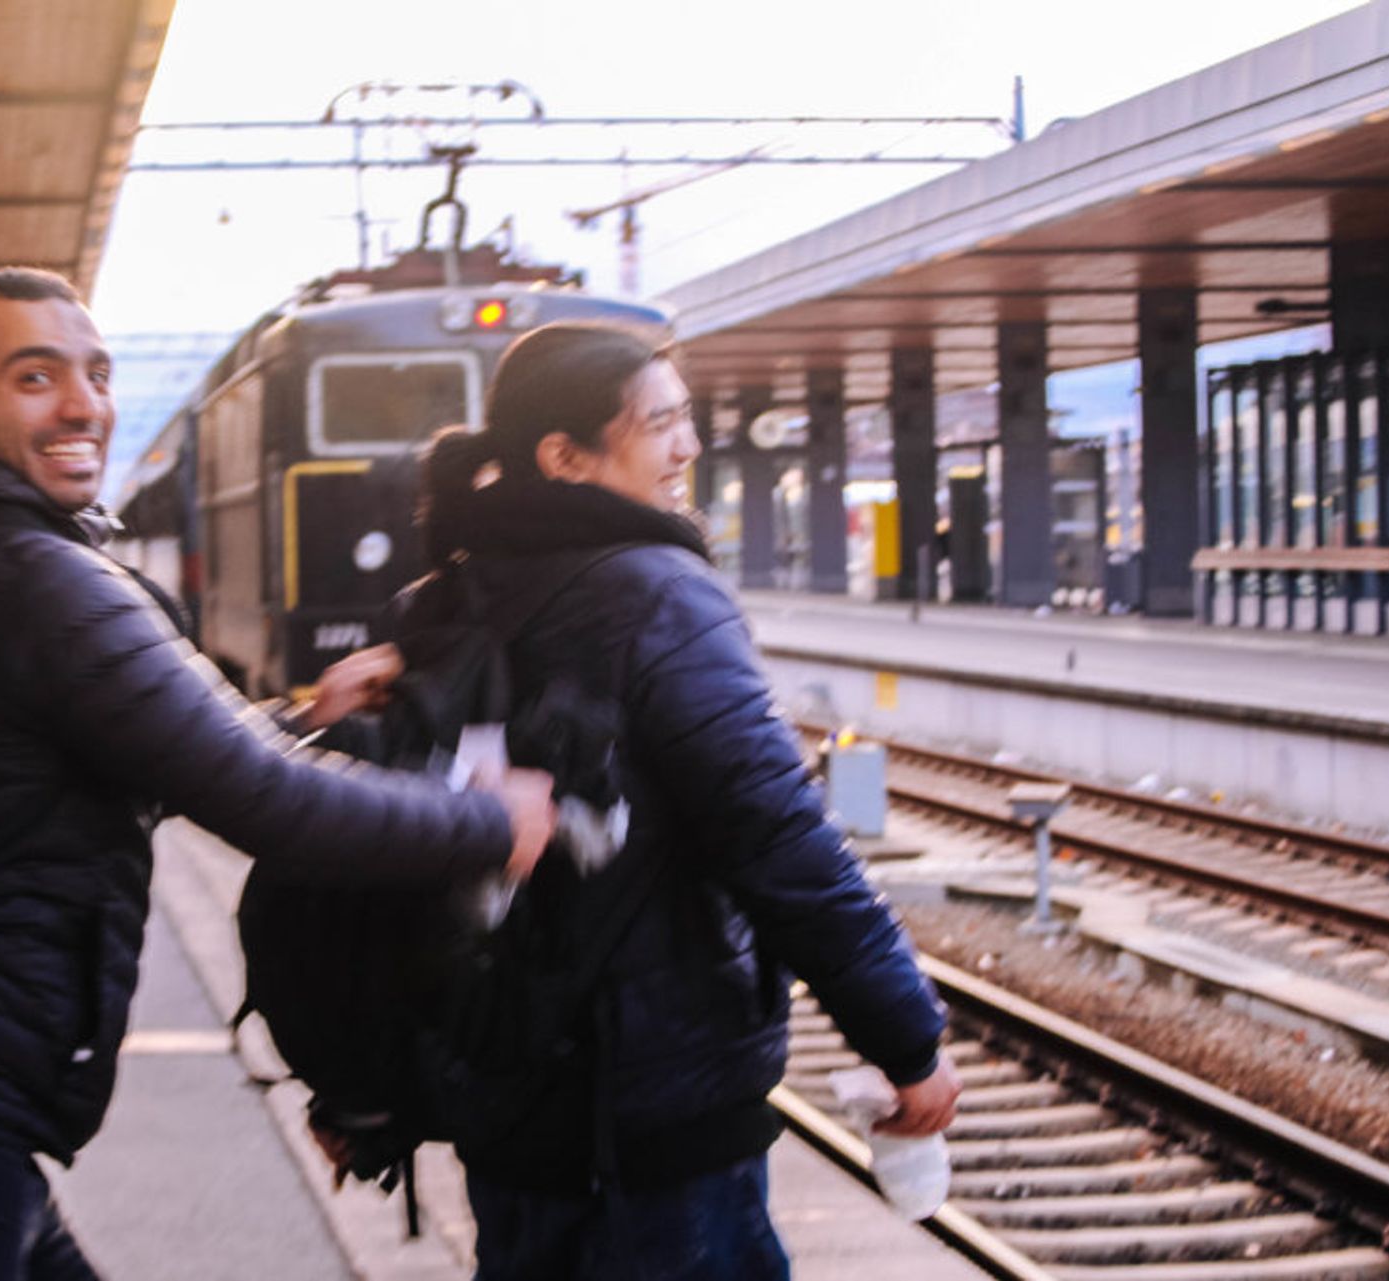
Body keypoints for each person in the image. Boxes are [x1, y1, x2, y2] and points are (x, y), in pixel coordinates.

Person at [0, 267, 557, 1281]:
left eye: (96, 374)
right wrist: (482, 822)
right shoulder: (35, 578)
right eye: (34, 377)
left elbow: (119, 754)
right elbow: (266, 802)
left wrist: (297, 715)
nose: (82, 405)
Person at [315, 322, 960, 1280]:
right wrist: (907, 1037)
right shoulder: (659, 596)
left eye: (686, 419)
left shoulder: (445, 600)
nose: (688, 448)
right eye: (662, 424)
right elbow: (778, 833)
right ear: (564, 458)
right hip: (654, 1112)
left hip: (505, 1085)